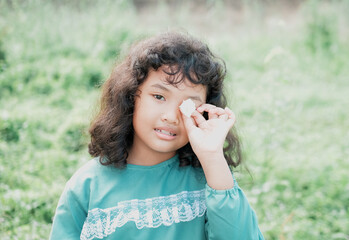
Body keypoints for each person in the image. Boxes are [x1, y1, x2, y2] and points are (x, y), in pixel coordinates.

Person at [50, 31, 264, 240]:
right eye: (159, 96)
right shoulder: (87, 186)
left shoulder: (208, 181)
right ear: (131, 95)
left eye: (188, 105)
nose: (171, 117)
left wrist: (212, 157)